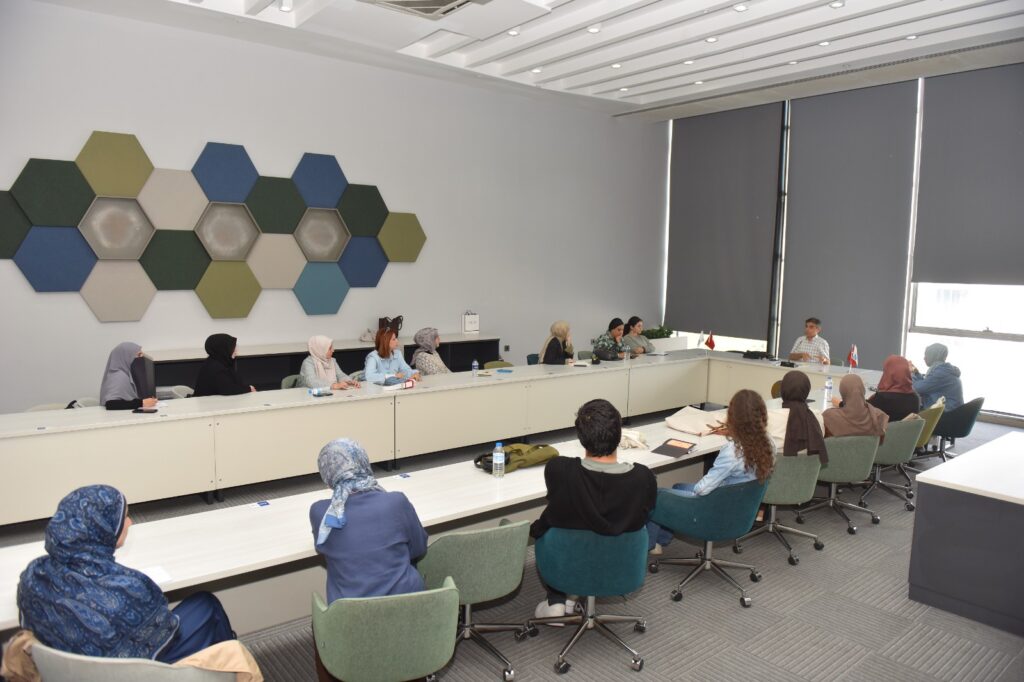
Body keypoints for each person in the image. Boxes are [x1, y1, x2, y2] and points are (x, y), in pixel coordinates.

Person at [17, 485, 234, 663]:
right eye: (125, 516)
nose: (130, 522)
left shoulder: (32, 575)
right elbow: (167, 630)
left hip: (70, 672)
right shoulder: (129, 588)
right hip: (140, 673)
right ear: (101, 528)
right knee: (207, 604)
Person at [530, 399, 656, 618]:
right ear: (620, 435)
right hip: (620, 565)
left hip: (569, 563)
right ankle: (571, 597)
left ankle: (559, 599)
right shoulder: (644, 478)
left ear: (581, 437)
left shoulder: (559, 470)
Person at [647, 389, 776, 553]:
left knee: (658, 495)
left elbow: (702, 490)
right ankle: (661, 541)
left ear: (733, 417)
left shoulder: (733, 451)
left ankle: (649, 545)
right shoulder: (769, 443)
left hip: (715, 510)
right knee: (678, 487)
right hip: (741, 510)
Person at [310, 439, 427, 603]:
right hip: (409, 605)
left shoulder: (320, 513)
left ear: (326, 474)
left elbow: (325, 548)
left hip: (351, 613)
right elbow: (419, 548)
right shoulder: (396, 501)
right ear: (364, 463)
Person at [779, 370, 828, 463]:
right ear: (807, 391)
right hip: (808, 472)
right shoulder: (817, 417)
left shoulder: (770, 418)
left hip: (777, 471)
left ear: (782, 390)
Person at [823, 374, 889, 438]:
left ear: (842, 392)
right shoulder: (879, 416)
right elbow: (881, 441)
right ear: (863, 390)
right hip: (867, 446)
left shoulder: (829, 417)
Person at [100, 342, 157, 410]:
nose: (142, 357)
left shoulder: (126, 373)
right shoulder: (118, 376)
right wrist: (141, 403)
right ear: (126, 357)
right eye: (139, 354)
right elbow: (111, 404)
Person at [910, 343, 964, 411]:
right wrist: (916, 373)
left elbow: (917, 388)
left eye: (926, 355)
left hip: (947, 414)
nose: (924, 358)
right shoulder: (944, 370)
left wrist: (911, 373)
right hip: (952, 410)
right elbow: (926, 384)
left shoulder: (941, 373)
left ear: (933, 356)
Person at [868, 355, 922, 421]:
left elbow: (864, 412)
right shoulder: (915, 398)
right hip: (906, 428)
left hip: (885, 427)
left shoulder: (881, 399)